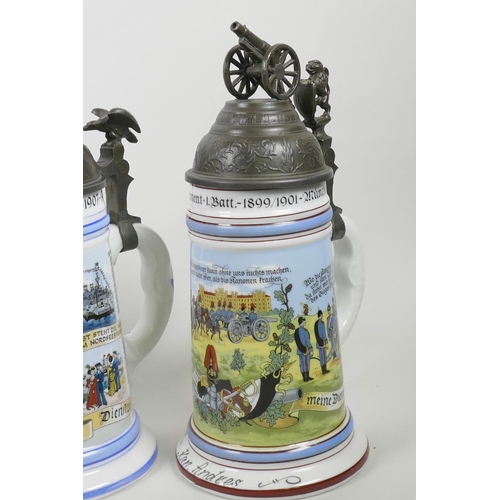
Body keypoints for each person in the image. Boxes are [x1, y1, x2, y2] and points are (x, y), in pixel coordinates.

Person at [295, 317, 314, 382]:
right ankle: (307, 377)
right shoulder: (305, 331)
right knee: (306, 363)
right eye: (304, 322)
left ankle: (305, 378)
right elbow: (307, 341)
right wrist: (311, 350)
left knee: (302, 364)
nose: (305, 322)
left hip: (300, 350)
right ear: (302, 322)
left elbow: (297, 341)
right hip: (306, 350)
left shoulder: (297, 331)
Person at [314, 310, 330, 375]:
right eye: (322, 314)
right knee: (322, 357)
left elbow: (324, 334)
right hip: (320, 343)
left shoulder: (321, 323)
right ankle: (323, 370)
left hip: (322, 342)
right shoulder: (318, 323)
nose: (323, 315)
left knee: (324, 356)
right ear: (320, 315)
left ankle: (325, 369)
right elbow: (320, 334)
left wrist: (325, 342)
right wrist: (324, 342)